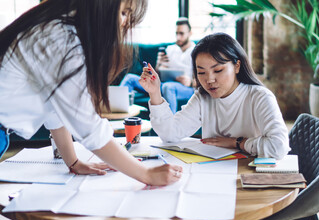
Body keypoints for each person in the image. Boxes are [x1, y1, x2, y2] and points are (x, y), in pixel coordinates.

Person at [0, 0, 183, 186]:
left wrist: (73, 162)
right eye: (124, 13)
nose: (124, 24)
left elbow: (55, 109)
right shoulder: (60, 40)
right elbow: (88, 127)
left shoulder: (56, 29)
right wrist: (146, 175)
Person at [139, 32, 290, 160]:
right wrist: (155, 92)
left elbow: (279, 147)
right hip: (212, 171)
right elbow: (169, 134)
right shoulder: (203, 98)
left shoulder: (259, 97)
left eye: (218, 70)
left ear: (237, 66)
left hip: (248, 174)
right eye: (201, 72)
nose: (209, 80)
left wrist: (237, 143)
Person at [120, 17, 195, 113]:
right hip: (164, 84)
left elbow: (202, 80)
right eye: (176, 33)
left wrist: (190, 82)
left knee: (168, 87)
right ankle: (117, 113)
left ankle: (169, 126)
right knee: (130, 78)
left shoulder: (196, 52)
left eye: (181, 34)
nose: (178, 37)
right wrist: (159, 66)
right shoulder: (170, 49)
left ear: (190, 33)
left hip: (185, 88)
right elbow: (157, 76)